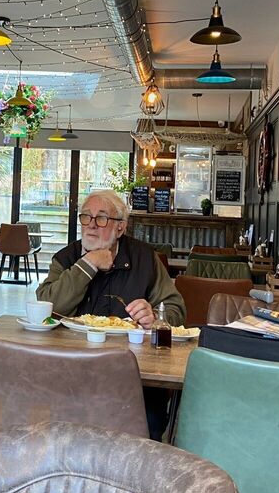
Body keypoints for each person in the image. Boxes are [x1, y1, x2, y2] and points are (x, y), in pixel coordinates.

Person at [36, 188, 185, 440]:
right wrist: (88, 264)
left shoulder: (145, 259)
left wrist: (155, 317)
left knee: (148, 421)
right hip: (74, 370)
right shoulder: (66, 259)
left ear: (120, 228)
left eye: (102, 218)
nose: (91, 224)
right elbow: (47, 307)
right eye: (86, 216)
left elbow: (175, 309)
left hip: (136, 375)